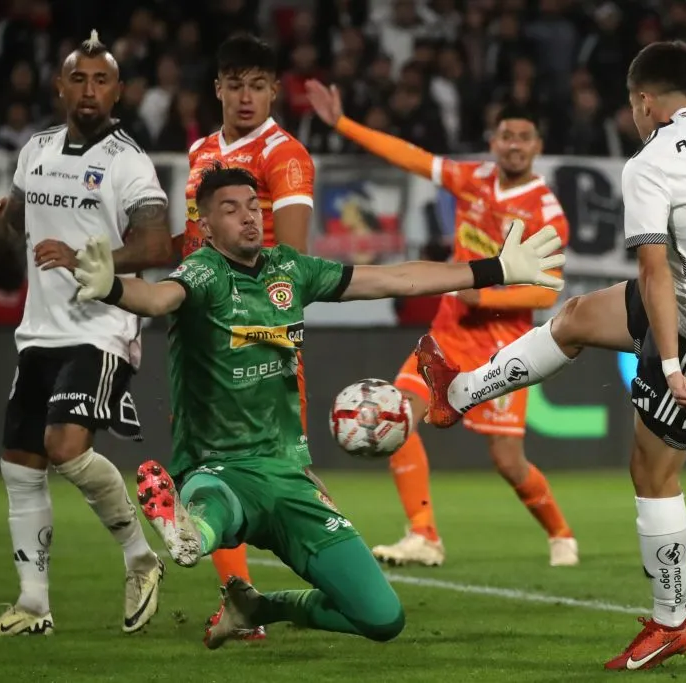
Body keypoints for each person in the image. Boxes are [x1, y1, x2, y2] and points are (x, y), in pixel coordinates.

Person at [413, 41, 686, 669]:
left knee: (652, 474)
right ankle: (459, 394)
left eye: (632, 106)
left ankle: (674, 621)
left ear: (643, 101)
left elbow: (654, 274)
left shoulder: (649, 164)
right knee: (577, 317)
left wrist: (669, 367)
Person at [68, 165, 565, 648]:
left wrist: (495, 269)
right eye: (229, 209)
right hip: (219, 467)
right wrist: (112, 287)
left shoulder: (292, 270)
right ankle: (189, 533)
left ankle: (257, 608)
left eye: (252, 206)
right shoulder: (203, 274)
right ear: (205, 226)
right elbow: (156, 298)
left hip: (290, 476)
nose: (247, 217)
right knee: (215, 508)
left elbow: (397, 278)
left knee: (383, 618)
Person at [306, 80, 578, 568]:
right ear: (493, 142)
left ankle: (560, 532)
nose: (514, 144)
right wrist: (342, 124)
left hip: (504, 343)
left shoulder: (548, 212)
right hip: (448, 333)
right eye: (506, 135)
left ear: (537, 146)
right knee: (398, 415)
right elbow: (411, 157)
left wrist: (488, 292)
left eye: (524, 137)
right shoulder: (471, 178)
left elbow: (548, 290)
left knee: (507, 461)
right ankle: (424, 534)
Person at [0, 31, 174, 637]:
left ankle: (140, 558)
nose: (89, 90)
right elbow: (20, 248)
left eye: (101, 80)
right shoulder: (34, 151)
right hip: (39, 332)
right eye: (78, 79)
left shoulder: (128, 160)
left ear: (119, 91)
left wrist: (91, 259)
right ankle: (33, 607)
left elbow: (156, 245)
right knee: (20, 465)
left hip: (102, 327)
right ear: (60, 86)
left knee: (63, 446)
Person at [179, 33, 323, 633]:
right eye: (235, 84)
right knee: (208, 469)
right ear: (217, 88)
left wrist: (250, 325)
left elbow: (289, 260)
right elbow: (191, 244)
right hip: (198, 338)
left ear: (273, 90)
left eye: (258, 85)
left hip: (255, 341)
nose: (246, 96)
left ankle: (332, 577)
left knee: (280, 472)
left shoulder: (285, 155)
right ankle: (242, 600)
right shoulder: (198, 152)